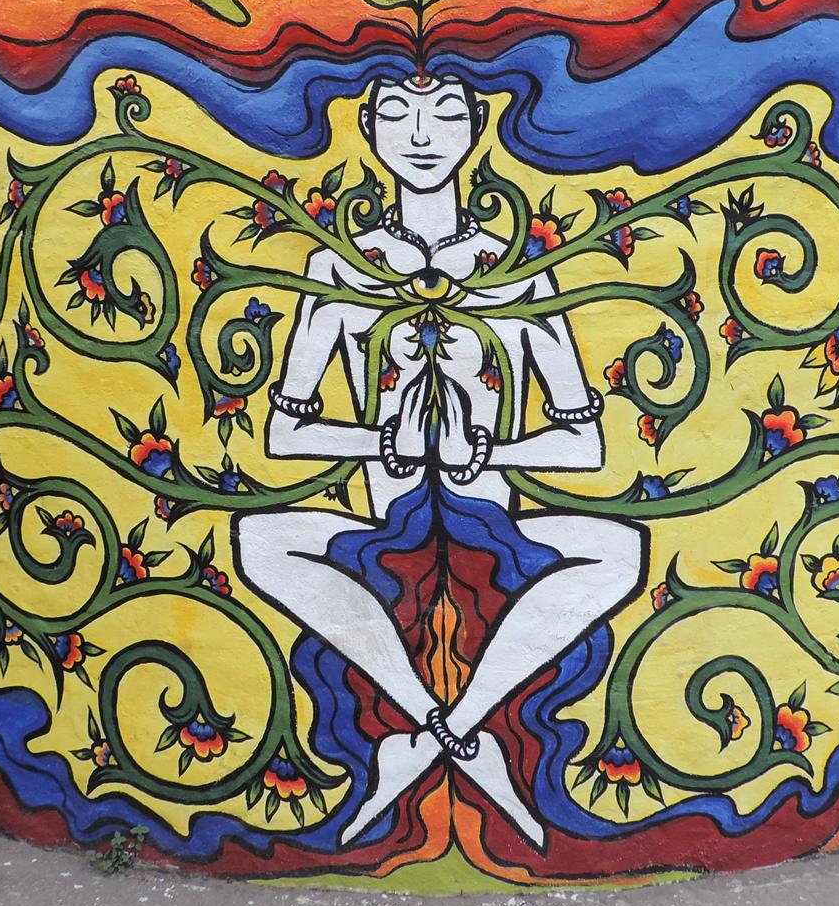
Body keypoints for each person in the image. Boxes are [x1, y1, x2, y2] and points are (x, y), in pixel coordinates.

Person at [235, 73, 644, 849]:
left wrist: (494, 451)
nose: (421, 136)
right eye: (397, 115)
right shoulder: (340, 267)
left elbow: (583, 443)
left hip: (493, 522)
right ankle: (451, 730)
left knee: (621, 550)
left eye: (446, 114)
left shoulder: (517, 268)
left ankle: (431, 739)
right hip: (387, 520)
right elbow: (284, 433)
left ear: (478, 125)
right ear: (368, 127)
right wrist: (380, 441)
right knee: (259, 539)